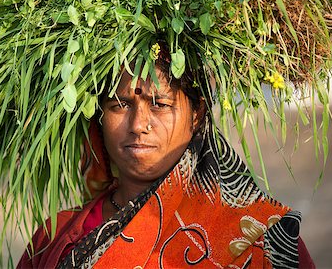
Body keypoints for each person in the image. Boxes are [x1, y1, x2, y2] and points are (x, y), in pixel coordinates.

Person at [17, 43, 315, 268]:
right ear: (98, 117)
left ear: (196, 114)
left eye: (159, 104)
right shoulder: (55, 238)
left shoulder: (259, 239)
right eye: (120, 104)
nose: (137, 125)